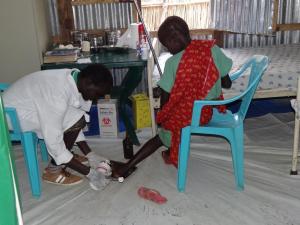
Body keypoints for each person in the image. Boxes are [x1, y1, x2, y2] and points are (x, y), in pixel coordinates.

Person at [111, 16, 232, 178]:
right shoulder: (212, 49)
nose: (168, 50)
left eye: (167, 46)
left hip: (188, 117)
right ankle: (170, 150)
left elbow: (166, 100)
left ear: (173, 41)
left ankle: (127, 167)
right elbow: (227, 83)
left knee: (162, 133)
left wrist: (162, 118)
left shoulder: (172, 63)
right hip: (205, 112)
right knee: (173, 122)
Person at [3, 64, 113, 190]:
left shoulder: (72, 78)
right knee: (57, 133)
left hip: (26, 103)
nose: (95, 99)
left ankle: (67, 153)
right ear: (87, 82)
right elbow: (53, 140)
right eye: (97, 94)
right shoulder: (56, 95)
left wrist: (90, 154)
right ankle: (53, 171)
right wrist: (90, 173)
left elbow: (75, 117)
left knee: (77, 116)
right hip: (11, 116)